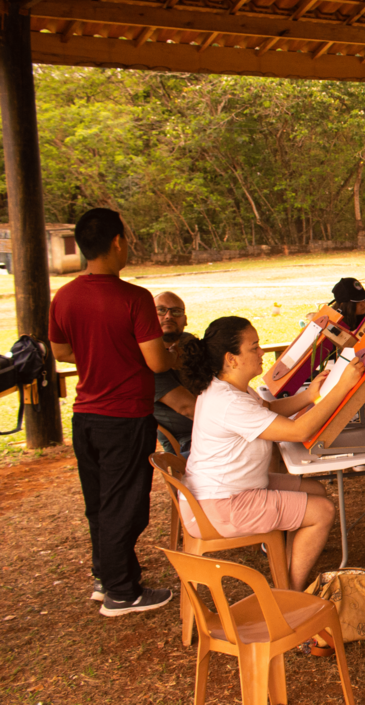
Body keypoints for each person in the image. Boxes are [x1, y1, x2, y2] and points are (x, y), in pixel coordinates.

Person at [50, 208, 177, 616]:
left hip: (85, 415)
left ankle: (106, 578)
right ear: (117, 243)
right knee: (126, 504)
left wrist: (96, 354)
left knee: (99, 502)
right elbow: (156, 362)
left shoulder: (64, 296)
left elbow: (61, 351)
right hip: (125, 418)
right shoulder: (134, 298)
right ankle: (123, 593)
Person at [177, 317, 361, 591]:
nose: (262, 352)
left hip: (219, 493)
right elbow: (299, 431)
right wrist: (343, 386)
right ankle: (290, 594)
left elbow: (269, 412)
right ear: (232, 359)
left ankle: (284, 574)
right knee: (322, 511)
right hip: (220, 505)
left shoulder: (228, 387)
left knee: (316, 491)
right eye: (254, 347)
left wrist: (310, 396)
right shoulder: (229, 402)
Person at [153, 291, 197, 457]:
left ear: (185, 320)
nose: (168, 316)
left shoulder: (189, 343)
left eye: (176, 311)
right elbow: (188, 408)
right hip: (187, 441)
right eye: (161, 310)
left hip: (213, 426)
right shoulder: (148, 361)